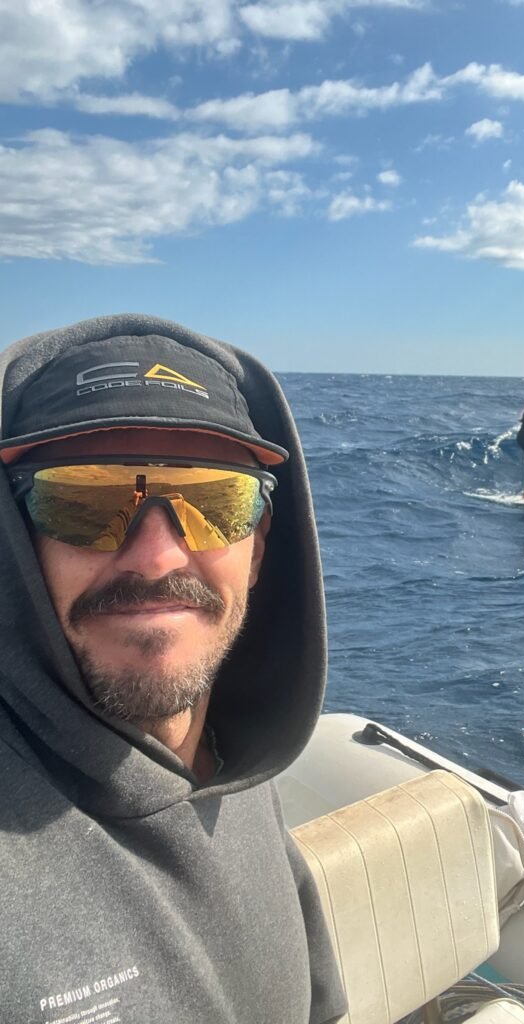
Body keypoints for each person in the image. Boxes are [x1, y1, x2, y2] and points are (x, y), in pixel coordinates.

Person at [0, 315, 347, 1023]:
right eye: (83, 499)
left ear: (258, 544)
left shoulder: (237, 757)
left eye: (215, 501)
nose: (157, 557)